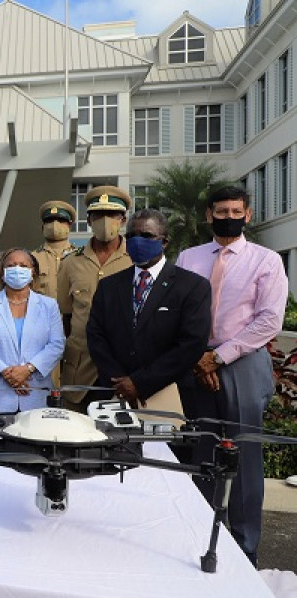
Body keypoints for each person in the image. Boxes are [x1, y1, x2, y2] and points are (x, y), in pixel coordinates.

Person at [177, 186, 288, 566]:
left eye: (236, 210)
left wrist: (219, 357)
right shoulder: (188, 258)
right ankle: (201, 538)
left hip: (241, 360)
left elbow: (270, 319)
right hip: (196, 362)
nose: (229, 215)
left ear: (248, 214)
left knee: (242, 459)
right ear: (209, 215)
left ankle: (244, 549)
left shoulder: (267, 260)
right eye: (221, 210)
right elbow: (178, 312)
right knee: (202, 453)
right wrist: (199, 359)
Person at [86, 209, 211, 410]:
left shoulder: (193, 286)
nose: (137, 241)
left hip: (169, 394)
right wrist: (120, 383)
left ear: (164, 241)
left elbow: (192, 344)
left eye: (146, 236)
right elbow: (96, 336)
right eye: (131, 236)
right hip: (116, 393)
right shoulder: (109, 286)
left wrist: (140, 382)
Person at [56, 185, 132, 411]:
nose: (105, 221)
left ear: (123, 220)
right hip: (81, 368)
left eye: (112, 215)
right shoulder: (71, 263)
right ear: (88, 221)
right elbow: (66, 315)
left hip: (123, 366)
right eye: (98, 215)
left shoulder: (134, 260)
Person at [0, 248, 64, 418]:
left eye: (23, 265)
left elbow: (56, 344)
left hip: (36, 397)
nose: (17, 269)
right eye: (11, 265)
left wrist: (27, 369)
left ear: (33, 271)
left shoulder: (49, 306)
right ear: (3, 271)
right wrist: (7, 373)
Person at [31, 200, 78, 299]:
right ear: (42, 227)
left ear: (69, 226)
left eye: (60, 221)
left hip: (71, 314)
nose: (54, 225)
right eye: (49, 221)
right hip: (42, 313)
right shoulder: (32, 258)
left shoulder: (80, 256)